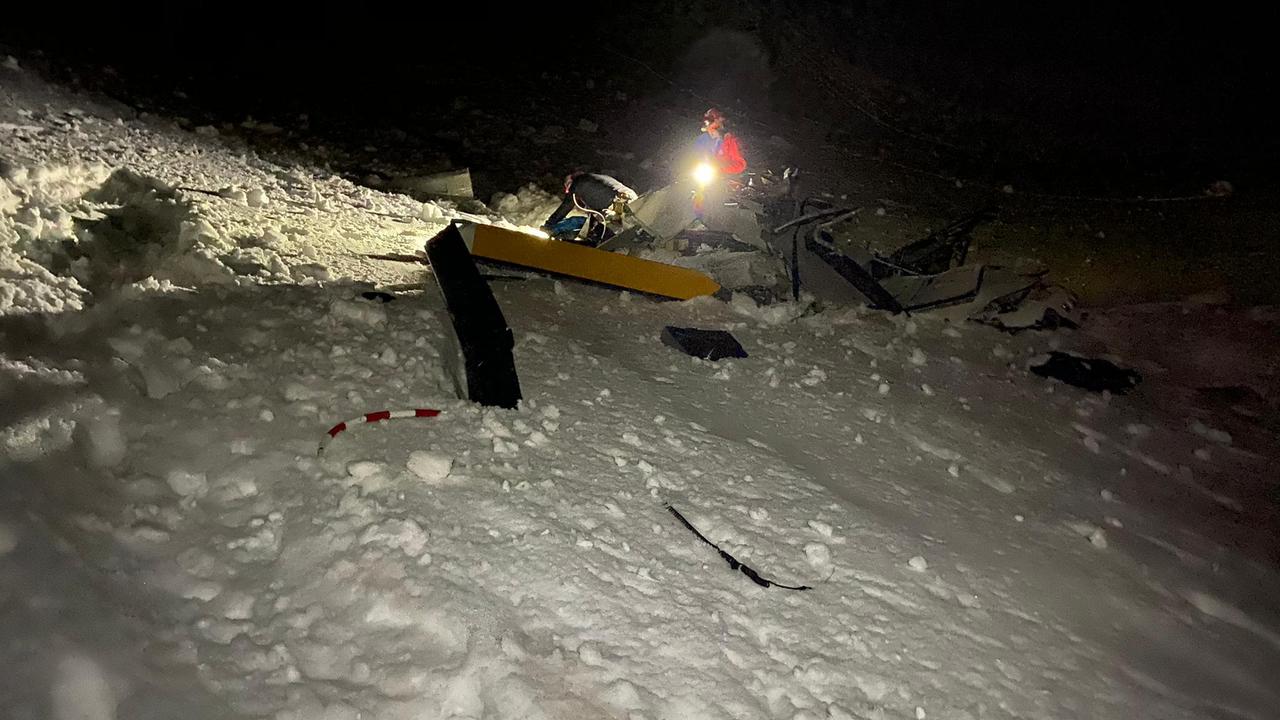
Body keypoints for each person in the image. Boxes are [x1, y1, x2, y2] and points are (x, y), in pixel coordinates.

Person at [543, 172, 637, 243]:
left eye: (568, 187)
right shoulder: (597, 180)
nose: (568, 191)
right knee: (604, 230)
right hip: (634, 201)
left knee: (585, 226)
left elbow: (566, 205)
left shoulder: (580, 181)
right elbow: (595, 217)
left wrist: (549, 224)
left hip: (617, 202)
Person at [695, 108, 746, 176]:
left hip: (727, 179)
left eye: (712, 128)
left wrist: (720, 169)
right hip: (709, 177)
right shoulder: (706, 141)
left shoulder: (730, 141)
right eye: (708, 129)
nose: (710, 131)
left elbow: (739, 165)